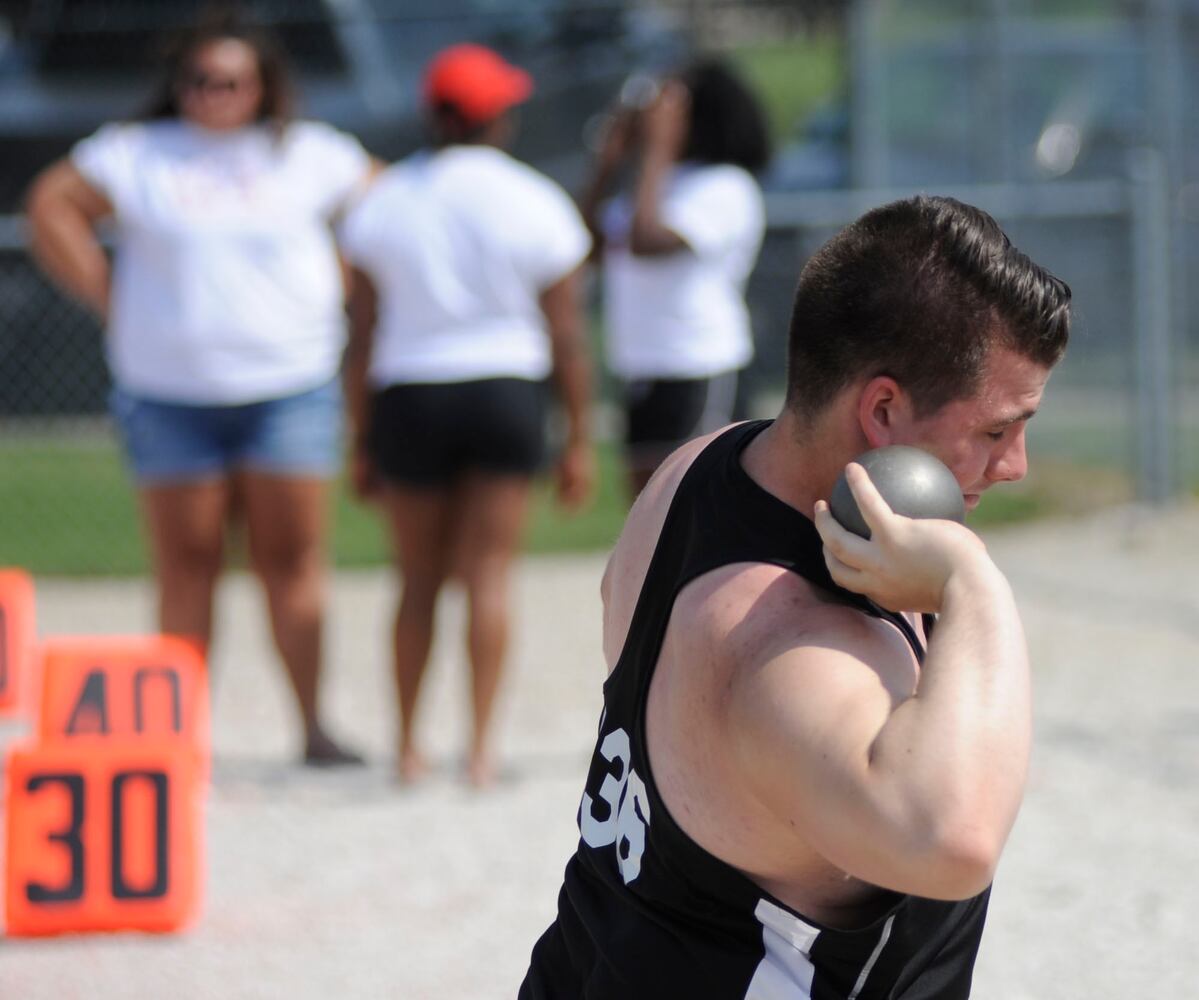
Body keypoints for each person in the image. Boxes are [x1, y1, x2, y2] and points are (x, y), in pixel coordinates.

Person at [520, 195, 1072, 998]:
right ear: (881, 409)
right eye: (995, 430)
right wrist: (971, 583)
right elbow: (955, 843)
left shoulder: (696, 468)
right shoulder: (794, 650)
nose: (1015, 464)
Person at [25, 15, 375, 765]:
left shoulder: (308, 153)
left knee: (293, 562)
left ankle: (313, 726)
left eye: (231, 81)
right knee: (187, 567)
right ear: (176, 84)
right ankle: (180, 733)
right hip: (168, 392)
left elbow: (385, 208)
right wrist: (103, 291)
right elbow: (51, 203)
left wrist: (339, 282)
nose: (213, 95)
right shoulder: (136, 151)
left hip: (289, 387)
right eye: (198, 80)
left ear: (262, 87)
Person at [339, 44, 594, 787]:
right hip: (505, 389)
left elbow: (360, 336)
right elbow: (567, 338)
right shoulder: (534, 198)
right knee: (488, 576)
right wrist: (576, 435)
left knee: (415, 579)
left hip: (411, 390)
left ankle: (408, 749)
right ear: (498, 118)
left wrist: (360, 437)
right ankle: (480, 753)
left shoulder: (383, 199)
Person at [582, 58, 771, 498]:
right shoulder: (653, 186)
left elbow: (646, 241)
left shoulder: (726, 186)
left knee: (693, 502)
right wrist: (607, 165)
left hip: (698, 364)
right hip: (642, 366)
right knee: (646, 509)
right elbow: (588, 246)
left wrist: (656, 151)